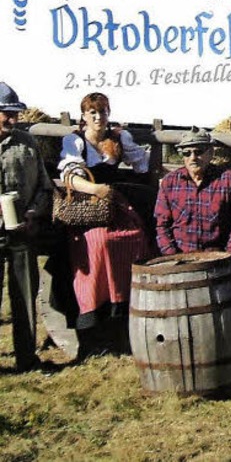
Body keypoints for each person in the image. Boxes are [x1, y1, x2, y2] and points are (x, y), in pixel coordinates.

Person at [57, 92, 153, 330]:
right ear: (84, 116)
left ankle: (125, 303)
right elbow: (70, 177)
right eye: (93, 113)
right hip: (88, 204)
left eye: (103, 112)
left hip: (116, 200)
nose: (99, 117)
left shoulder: (119, 137)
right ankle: (93, 309)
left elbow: (141, 164)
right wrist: (95, 189)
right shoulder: (75, 141)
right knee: (99, 242)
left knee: (136, 239)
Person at [0, 83, 52, 371]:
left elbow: (44, 185)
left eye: (15, 114)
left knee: (25, 295)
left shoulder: (26, 143)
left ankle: (27, 358)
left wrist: (34, 213)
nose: (12, 119)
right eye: (6, 113)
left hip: (23, 232)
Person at [153, 127, 231, 264]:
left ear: (210, 153)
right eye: (186, 153)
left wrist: (230, 256)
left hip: (217, 258)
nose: (193, 158)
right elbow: (161, 225)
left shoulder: (227, 180)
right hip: (179, 259)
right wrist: (172, 258)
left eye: (199, 152)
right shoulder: (170, 182)